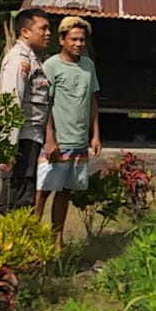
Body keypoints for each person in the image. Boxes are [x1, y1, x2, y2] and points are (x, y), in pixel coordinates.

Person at [35, 15, 102, 247]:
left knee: (64, 191)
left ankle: (57, 240)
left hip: (79, 140)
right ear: (61, 39)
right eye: (73, 39)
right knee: (43, 191)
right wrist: (49, 138)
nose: (78, 44)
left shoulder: (88, 65)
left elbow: (92, 99)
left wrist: (95, 135)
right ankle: (31, 237)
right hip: (57, 141)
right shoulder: (51, 66)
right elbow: (44, 103)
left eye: (82, 39)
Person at [0, 9, 54, 216]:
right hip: (21, 140)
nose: (48, 33)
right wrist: (8, 147)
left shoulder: (33, 59)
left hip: (31, 139)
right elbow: (11, 103)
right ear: (25, 32)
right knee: (13, 199)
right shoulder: (19, 60)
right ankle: (1, 245)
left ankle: (14, 244)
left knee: (24, 199)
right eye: (43, 28)